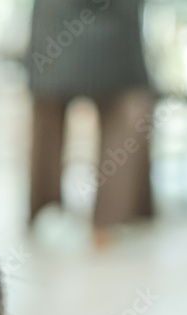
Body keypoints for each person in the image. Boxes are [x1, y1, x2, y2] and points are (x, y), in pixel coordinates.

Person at [26, 0, 153, 241]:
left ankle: (44, 210)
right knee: (124, 111)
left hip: (56, 24)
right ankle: (107, 223)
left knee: (48, 118)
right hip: (110, 26)